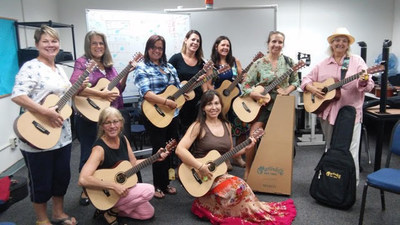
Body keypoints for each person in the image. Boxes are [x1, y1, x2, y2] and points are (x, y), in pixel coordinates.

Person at [175, 90, 297, 224]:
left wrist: (246, 148)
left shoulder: (226, 125)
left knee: (242, 187)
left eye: (217, 103)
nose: (214, 107)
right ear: (203, 108)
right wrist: (200, 166)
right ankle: (207, 204)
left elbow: (230, 153)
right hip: (202, 175)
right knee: (236, 187)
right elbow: (180, 150)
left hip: (219, 174)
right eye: (209, 104)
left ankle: (219, 206)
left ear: (221, 105)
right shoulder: (198, 126)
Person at [11, 25, 77, 225]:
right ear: (37, 44)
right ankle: (42, 219)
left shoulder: (60, 70)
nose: (51, 45)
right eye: (45, 41)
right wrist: (44, 111)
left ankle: (58, 213)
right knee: (41, 180)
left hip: (62, 134)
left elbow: (62, 97)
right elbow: (18, 95)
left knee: (61, 177)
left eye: (54, 41)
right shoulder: (31, 66)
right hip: (38, 132)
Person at [300, 27, 374, 184]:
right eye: (337, 40)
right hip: (328, 113)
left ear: (348, 45)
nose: (340, 43)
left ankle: (351, 184)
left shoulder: (357, 62)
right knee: (330, 147)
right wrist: (312, 88)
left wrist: (363, 81)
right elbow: (305, 80)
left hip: (351, 114)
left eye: (344, 41)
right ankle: (329, 181)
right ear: (331, 44)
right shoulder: (323, 64)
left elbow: (369, 86)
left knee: (351, 150)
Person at [70, 31, 135, 205]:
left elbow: (117, 91)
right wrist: (100, 93)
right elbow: (75, 87)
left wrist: (127, 71)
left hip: (110, 118)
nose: (98, 47)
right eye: (94, 43)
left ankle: (107, 186)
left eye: (101, 43)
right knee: (87, 154)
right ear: (88, 45)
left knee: (110, 154)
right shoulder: (82, 63)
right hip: (88, 118)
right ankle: (85, 191)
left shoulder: (109, 66)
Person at [79, 107, 170, 225]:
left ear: (121, 123)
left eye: (115, 121)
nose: (112, 126)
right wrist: (113, 186)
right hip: (109, 191)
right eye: (107, 122)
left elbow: (133, 164)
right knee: (149, 190)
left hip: (123, 190)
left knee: (148, 213)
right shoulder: (99, 149)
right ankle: (112, 211)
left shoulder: (123, 139)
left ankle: (109, 210)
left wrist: (155, 158)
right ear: (101, 126)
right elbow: (83, 179)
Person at [241, 31, 300, 180]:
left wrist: (287, 90)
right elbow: (246, 84)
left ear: (283, 45)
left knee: (280, 141)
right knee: (252, 139)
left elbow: (295, 82)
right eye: (274, 41)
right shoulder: (259, 63)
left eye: (280, 42)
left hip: (281, 105)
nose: (277, 45)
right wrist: (253, 93)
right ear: (268, 44)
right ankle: (248, 170)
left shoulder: (289, 62)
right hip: (261, 105)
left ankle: (278, 174)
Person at [132, 34, 180, 199]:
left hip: (172, 114)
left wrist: (187, 91)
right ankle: (158, 185)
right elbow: (146, 93)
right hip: (153, 113)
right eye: (153, 47)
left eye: (160, 48)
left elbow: (178, 88)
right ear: (148, 48)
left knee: (170, 147)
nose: (157, 51)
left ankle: (166, 183)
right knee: (159, 148)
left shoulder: (169, 67)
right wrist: (166, 101)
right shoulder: (142, 67)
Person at [209, 35, 248, 168]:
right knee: (225, 131)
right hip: (221, 101)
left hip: (236, 99)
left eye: (227, 46)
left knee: (241, 128)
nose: (225, 48)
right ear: (216, 46)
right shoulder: (212, 65)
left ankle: (237, 157)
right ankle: (225, 159)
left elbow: (242, 79)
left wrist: (243, 76)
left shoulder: (234, 61)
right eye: (223, 45)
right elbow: (209, 85)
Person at [168, 30, 207, 136]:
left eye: (198, 41)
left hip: (195, 104)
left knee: (195, 134)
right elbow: (166, 78)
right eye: (193, 39)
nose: (195, 43)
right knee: (179, 134)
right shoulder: (176, 58)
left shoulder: (202, 62)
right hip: (179, 103)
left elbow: (205, 86)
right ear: (185, 40)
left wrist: (203, 79)